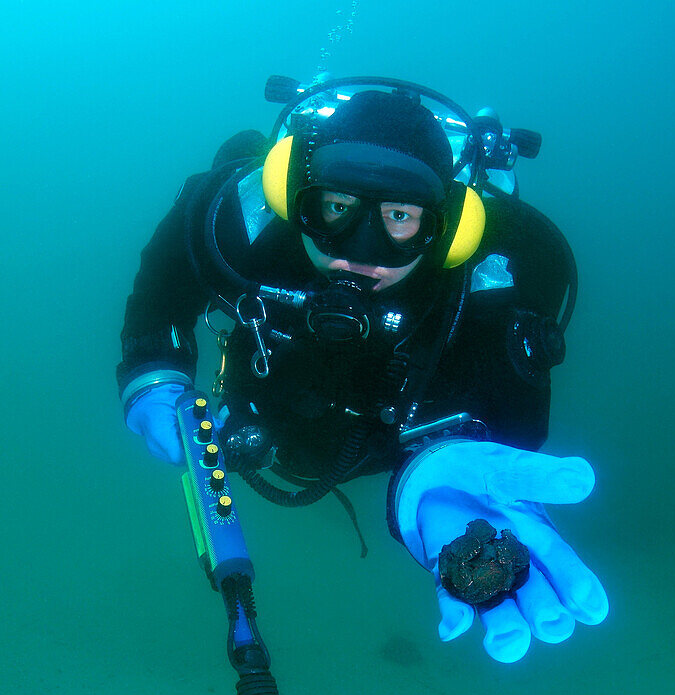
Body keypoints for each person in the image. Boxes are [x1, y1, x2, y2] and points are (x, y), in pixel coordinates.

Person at [118, 75, 608, 663]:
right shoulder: (238, 224)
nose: (360, 251)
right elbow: (164, 285)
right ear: (296, 194)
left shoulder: (485, 284)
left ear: (445, 226)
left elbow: (511, 428)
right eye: (336, 207)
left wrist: (437, 484)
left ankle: (486, 172)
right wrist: (155, 375)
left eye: (401, 217)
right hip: (274, 413)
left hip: (394, 433)